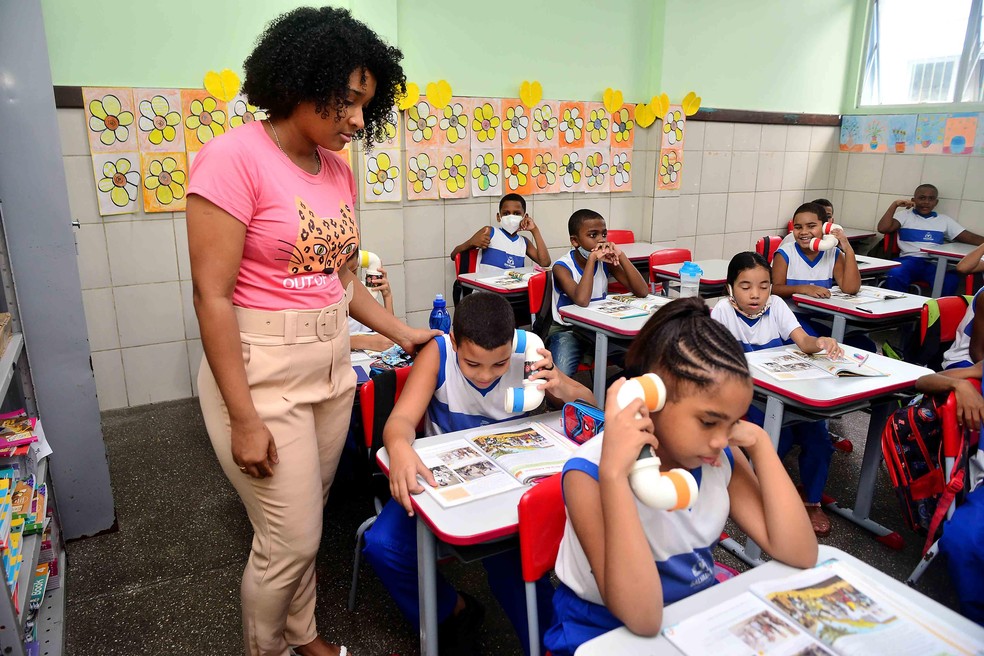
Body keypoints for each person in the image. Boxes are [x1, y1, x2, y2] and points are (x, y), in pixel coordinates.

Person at [186, 8, 436, 656]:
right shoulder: (231, 159)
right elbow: (211, 297)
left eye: (365, 107)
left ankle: (305, 634)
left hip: (329, 371)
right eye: (350, 102)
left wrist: (398, 331)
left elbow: (342, 281)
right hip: (259, 373)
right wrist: (243, 417)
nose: (358, 120)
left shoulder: (338, 170)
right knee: (288, 538)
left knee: (305, 521)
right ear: (301, 81)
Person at [543, 299, 817, 655]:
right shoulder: (591, 474)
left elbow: (800, 552)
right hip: (600, 630)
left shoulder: (719, 453)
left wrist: (760, 442)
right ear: (651, 398)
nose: (721, 438)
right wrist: (614, 475)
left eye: (732, 421)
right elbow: (642, 618)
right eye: (707, 421)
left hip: (691, 615)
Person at [363, 292, 594, 655]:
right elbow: (402, 421)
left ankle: (553, 647)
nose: (485, 374)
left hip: (509, 490)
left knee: (515, 570)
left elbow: (592, 410)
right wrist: (400, 448)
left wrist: (560, 386)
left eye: (499, 364)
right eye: (472, 364)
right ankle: (452, 611)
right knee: (384, 546)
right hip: (446, 482)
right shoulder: (437, 354)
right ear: (454, 342)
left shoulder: (528, 353)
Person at [711, 251, 844, 536]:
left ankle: (811, 501)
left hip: (787, 391)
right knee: (776, 438)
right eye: (745, 286)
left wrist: (820, 342)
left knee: (818, 437)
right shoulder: (722, 311)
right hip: (749, 396)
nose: (756, 294)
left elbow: (804, 341)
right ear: (730, 288)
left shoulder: (777, 305)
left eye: (764, 285)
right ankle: (758, 493)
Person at [547, 209, 650, 375]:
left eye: (604, 234)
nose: (601, 240)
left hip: (599, 328)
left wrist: (621, 255)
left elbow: (642, 291)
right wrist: (592, 260)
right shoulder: (561, 267)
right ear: (575, 241)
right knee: (560, 377)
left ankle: (608, 393)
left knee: (640, 363)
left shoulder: (605, 263)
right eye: (593, 235)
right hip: (568, 330)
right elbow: (582, 300)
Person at [877, 183, 984, 295]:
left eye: (931, 199)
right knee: (895, 273)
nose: (926, 202)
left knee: (950, 279)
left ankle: (937, 310)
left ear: (936, 202)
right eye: (922, 198)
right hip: (909, 260)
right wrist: (895, 205)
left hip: (933, 263)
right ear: (914, 200)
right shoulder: (904, 216)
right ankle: (897, 309)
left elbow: (969, 237)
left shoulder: (944, 220)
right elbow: (883, 228)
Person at [772, 202, 861, 301]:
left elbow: (850, 289)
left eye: (811, 226)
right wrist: (804, 289)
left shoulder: (833, 253)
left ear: (825, 228)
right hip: (792, 314)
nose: (803, 232)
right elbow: (775, 289)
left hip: (824, 314)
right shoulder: (785, 253)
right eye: (798, 227)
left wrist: (848, 250)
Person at [450, 193, 551, 277]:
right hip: (485, 293)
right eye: (506, 213)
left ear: (525, 217)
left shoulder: (524, 242)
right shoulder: (489, 232)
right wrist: (472, 243)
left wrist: (535, 230)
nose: (511, 217)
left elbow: (545, 263)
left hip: (511, 294)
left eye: (516, 213)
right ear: (499, 217)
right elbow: (454, 254)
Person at [347, 249, 395, 352]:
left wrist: (387, 297)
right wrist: (364, 341)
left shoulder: (363, 290)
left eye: (354, 271)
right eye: (346, 273)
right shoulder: (320, 296)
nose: (350, 278)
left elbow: (389, 334)